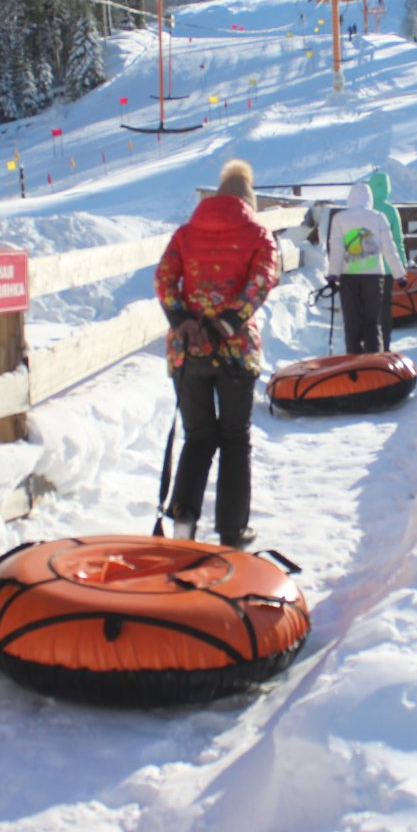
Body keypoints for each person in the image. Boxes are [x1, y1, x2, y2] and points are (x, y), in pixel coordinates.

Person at [154, 159, 279, 548]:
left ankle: (184, 522)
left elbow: (163, 278)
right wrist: (227, 322)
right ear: (248, 200)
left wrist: (182, 320)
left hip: (187, 351)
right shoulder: (258, 234)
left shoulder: (185, 233)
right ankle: (231, 529)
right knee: (234, 438)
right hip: (236, 352)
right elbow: (262, 281)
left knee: (198, 436)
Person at [326, 183, 407, 354]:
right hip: (373, 276)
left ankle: (353, 361)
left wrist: (333, 274)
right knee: (372, 321)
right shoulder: (378, 217)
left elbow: (337, 250)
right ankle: (373, 363)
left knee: (352, 322)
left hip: (348, 276)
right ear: (369, 199)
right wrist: (399, 275)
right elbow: (389, 248)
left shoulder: (339, 218)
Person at [366, 170, 407, 349]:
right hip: (389, 268)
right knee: (385, 308)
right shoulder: (391, 210)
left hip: (366, 267)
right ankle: (386, 345)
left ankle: (370, 345)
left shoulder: (364, 209)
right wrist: (402, 264)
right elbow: (398, 239)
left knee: (368, 307)